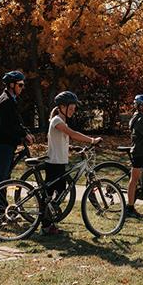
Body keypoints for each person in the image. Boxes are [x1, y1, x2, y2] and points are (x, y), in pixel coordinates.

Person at [41, 90, 102, 235]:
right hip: (54, 163)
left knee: (59, 193)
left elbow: (59, 140)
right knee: (50, 195)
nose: (73, 110)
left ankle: (48, 222)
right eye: (71, 107)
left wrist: (71, 147)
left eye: (74, 108)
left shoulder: (61, 121)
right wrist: (92, 140)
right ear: (62, 106)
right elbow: (72, 133)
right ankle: (46, 225)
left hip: (59, 162)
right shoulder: (57, 120)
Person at [0, 70, 34, 194]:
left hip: (7, 144)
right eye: (20, 85)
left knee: (5, 178)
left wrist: (26, 132)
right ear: (11, 85)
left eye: (23, 85)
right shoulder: (6, 101)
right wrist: (23, 134)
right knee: (1, 179)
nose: (22, 87)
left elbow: (17, 121)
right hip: (4, 144)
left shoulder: (10, 99)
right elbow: (10, 125)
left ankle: (0, 206)